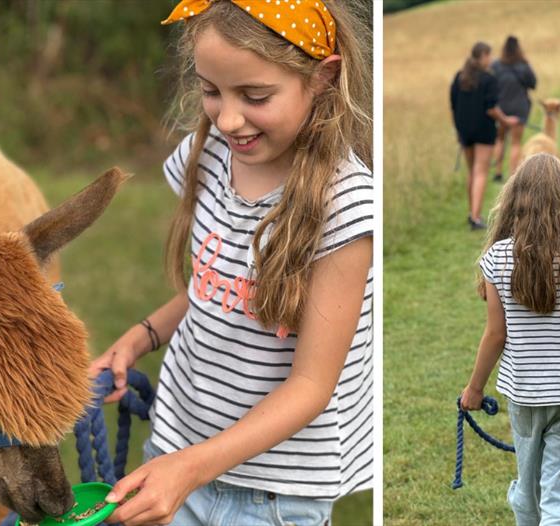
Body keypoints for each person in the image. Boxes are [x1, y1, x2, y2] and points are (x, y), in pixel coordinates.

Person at [88, 1, 373, 524]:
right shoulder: (213, 151)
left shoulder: (347, 207)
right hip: (176, 448)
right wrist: (140, 337)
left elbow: (312, 386)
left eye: (255, 95)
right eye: (211, 91)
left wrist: (190, 469)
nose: (228, 118)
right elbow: (215, 286)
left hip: (273, 496)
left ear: (323, 79)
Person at [461, 153, 560, 526]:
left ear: (515, 199)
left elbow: (496, 333)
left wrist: (475, 389)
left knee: (529, 484)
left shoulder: (498, 256)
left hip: (525, 392)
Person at [450, 42, 518, 230]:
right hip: (483, 130)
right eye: (490, 55)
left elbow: (454, 105)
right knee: (481, 171)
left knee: (472, 171)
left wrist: (458, 129)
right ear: (484, 56)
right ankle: (476, 217)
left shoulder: (459, 78)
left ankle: (471, 212)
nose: (492, 59)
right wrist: (506, 121)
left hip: (464, 130)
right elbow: (491, 109)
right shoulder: (489, 79)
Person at [491, 36, 537, 182]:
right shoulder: (523, 65)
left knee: (500, 139)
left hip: (500, 108)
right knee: (516, 142)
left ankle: (498, 173)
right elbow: (533, 84)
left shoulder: (496, 65)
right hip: (519, 108)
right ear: (518, 48)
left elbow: (490, 85)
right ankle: (512, 176)